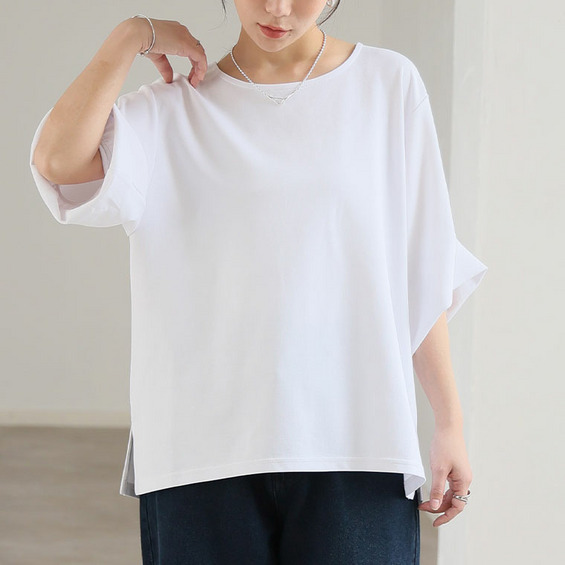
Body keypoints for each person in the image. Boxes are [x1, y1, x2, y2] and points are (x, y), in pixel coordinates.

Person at [29, 1, 488, 563]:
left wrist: (449, 422)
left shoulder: (387, 84)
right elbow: (57, 160)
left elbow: (421, 265)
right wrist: (130, 36)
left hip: (358, 442)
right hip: (200, 453)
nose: (277, 8)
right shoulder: (170, 109)